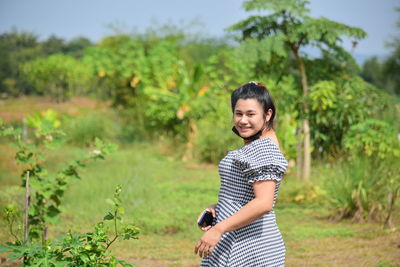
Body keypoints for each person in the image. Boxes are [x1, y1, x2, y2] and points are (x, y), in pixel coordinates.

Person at [194, 81, 288, 266]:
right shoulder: (259, 144)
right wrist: (219, 207)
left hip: (249, 246)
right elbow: (247, 194)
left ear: (268, 114)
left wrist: (218, 229)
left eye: (250, 114)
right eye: (238, 113)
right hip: (236, 239)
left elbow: (263, 203)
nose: (243, 120)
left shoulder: (264, 149)